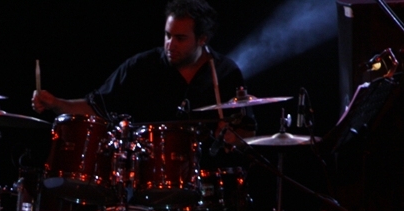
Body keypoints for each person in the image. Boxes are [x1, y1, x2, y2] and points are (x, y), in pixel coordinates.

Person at [32, 0, 250, 129]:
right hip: (147, 180)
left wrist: (234, 137)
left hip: (208, 180)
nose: (170, 45)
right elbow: (97, 107)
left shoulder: (225, 73)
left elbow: (247, 130)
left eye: (180, 38)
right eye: (167, 35)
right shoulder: (141, 66)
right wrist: (56, 103)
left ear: (202, 39)